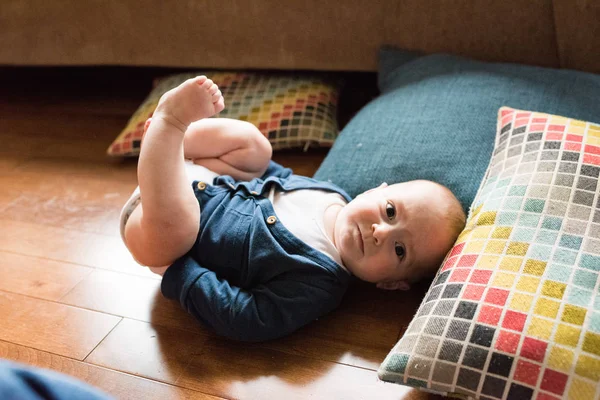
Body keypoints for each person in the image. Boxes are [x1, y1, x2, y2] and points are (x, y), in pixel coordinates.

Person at [120, 76, 466, 342]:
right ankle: (171, 148)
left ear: (392, 284)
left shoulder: (318, 283)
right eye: (390, 212)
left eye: (400, 249)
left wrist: (179, 273)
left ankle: (167, 127)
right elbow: (272, 178)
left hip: (156, 225)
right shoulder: (332, 194)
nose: (380, 232)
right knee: (258, 149)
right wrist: (242, 162)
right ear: (379, 189)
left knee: (179, 230)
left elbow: (246, 317)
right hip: (196, 172)